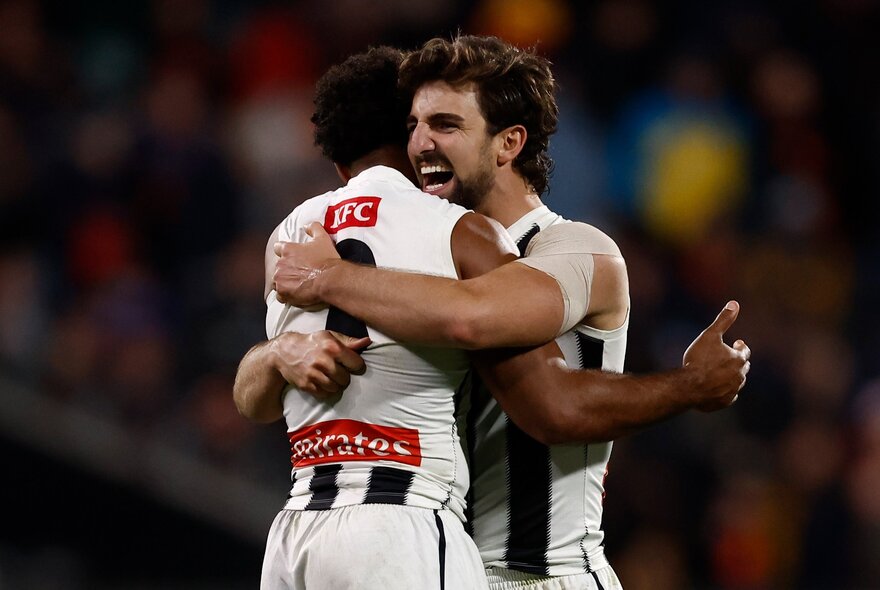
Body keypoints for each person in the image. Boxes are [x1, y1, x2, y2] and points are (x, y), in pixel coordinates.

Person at [266, 35, 751, 590]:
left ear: (508, 143)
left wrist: (329, 277)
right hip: (435, 564)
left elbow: (538, 389)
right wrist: (280, 350)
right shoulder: (421, 262)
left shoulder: (576, 250)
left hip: (545, 575)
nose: (420, 143)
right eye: (413, 126)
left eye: (445, 125)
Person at [244, 46, 525, 590]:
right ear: (414, 138)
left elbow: (255, 402)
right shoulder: (458, 230)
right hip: (401, 522)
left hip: (296, 532)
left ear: (336, 161)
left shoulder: (287, 237)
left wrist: (277, 352)